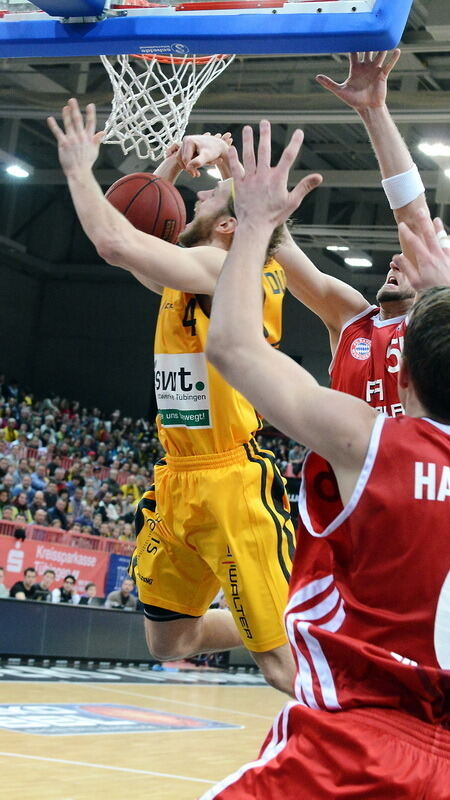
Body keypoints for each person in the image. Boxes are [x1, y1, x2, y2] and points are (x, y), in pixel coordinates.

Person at [200, 121, 450, 799]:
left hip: (384, 518)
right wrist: (231, 183)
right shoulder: (354, 318)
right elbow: (290, 255)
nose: (409, 249)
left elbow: (233, 348)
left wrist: (250, 212)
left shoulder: (380, 415)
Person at [47, 101, 297, 694]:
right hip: (180, 475)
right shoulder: (191, 271)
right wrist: (166, 171)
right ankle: (285, 612)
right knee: (169, 640)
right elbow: (140, 238)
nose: (195, 202)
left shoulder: (220, 265)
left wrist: (80, 168)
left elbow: (116, 243)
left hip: (232, 481)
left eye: (208, 201)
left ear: (231, 226)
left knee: (281, 667)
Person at [275, 51, 429, 417]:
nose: (396, 260)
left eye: (411, 260)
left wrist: (375, 111)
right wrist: (240, 191)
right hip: (347, 474)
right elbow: (285, 258)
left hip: (414, 472)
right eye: (398, 258)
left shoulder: (435, 329)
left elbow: (413, 218)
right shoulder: (352, 319)